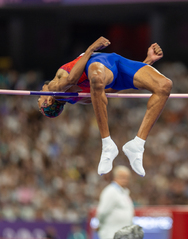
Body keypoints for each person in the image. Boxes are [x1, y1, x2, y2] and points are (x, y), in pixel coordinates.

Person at [38, 36, 172, 177]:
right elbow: (72, 79)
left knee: (164, 85)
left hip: (114, 66)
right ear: (49, 101)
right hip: (98, 63)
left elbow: (108, 89)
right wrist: (91, 48)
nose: (39, 95)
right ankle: (107, 144)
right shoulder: (55, 89)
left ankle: (138, 144)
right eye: (39, 100)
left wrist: (146, 63)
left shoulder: (79, 99)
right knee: (96, 79)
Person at [96, 165, 134, 239]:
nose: (125, 180)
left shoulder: (123, 192)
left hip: (121, 235)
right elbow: (102, 212)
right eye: (122, 177)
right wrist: (100, 224)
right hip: (112, 234)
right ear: (115, 177)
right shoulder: (111, 191)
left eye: (127, 178)